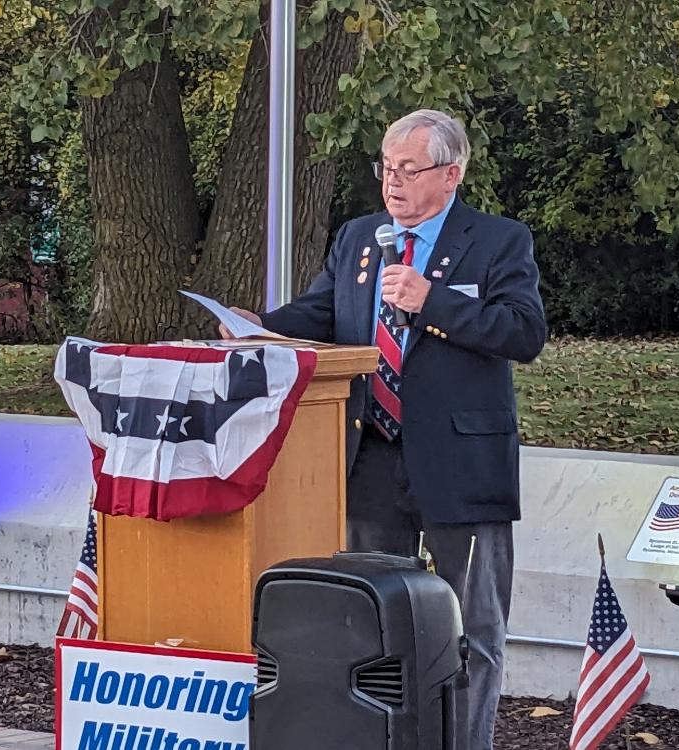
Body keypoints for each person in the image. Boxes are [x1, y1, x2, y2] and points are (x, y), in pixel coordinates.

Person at [220, 109, 546, 750]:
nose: (392, 183)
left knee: (470, 625)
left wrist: (435, 301)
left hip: (460, 466)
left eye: (409, 169)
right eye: (386, 168)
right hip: (369, 456)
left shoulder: (499, 240)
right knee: (370, 615)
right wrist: (257, 325)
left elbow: (524, 333)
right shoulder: (360, 237)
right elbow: (323, 313)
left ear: (451, 175)